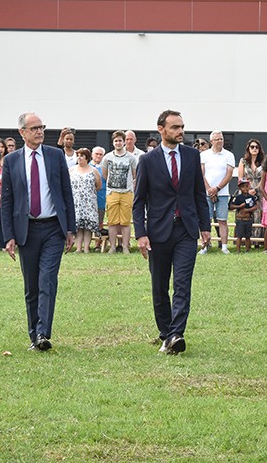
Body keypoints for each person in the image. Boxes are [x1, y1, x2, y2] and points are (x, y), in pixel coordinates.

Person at [133, 110, 210, 355]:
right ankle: (166, 332)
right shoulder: (147, 160)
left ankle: (177, 333)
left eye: (182, 127)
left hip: (186, 230)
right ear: (161, 129)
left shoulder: (191, 156)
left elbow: (199, 194)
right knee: (159, 286)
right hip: (158, 232)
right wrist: (141, 234)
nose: (180, 131)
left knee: (182, 284)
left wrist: (205, 227)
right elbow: (139, 200)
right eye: (175, 127)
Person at [1, 112, 75, 352]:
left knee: (47, 280)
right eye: (34, 128)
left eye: (42, 127)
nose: (40, 132)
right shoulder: (11, 160)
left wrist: (70, 228)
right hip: (27, 230)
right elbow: (7, 200)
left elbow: (66, 193)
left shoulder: (55, 156)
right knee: (31, 285)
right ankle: (34, 334)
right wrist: (8, 236)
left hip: (53, 228)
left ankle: (44, 333)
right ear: (22, 132)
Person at [102, 130, 137, 254]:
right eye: (115, 141)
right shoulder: (107, 157)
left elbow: (134, 175)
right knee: (112, 222)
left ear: (124, 142)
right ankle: (112, 247)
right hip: (112, 192)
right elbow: (105, 174)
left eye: (120, 141)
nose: (118, 143)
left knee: (125, 222)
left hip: (127, 192)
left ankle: (125, 247)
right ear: (113, 142)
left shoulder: (131, 158)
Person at [200, 130, 235, 254]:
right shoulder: (204, 155)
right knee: (206, 220)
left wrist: (217, 189)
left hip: (223, 193)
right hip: (206, 192)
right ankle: (205, 246)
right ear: (211, 141)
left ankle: (224, 246)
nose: (220, 141)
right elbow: (201, 174)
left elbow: (229, 174)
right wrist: (210, 190)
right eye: (217, 139)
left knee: (222, 220)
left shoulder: (229, 155)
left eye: (221, 139)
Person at [68, 147, 101, 253]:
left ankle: (86, 247)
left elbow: (98, 185)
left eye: (81, 156)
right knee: (78, 226)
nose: (79, 158)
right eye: (78, 155)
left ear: (87, 158)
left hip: (89, 202)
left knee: (87, 226)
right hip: (76, 202)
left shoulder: (93, 170)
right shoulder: (71, 170)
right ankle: (78, 248)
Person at [237, 138, 264, 237]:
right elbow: (240, 178)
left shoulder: (263, 162)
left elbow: (265, 178)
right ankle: (244, 238)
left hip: (260, 191)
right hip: (245, 190)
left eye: (257, 147)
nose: (254, 149)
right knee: (245, 213)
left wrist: (256, 190)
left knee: (258, 214)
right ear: (248, 148)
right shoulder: (243, 161)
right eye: (252, 147)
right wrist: (248, 191)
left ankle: (257, 239)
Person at [228, 178, 258, 252]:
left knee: (248, 236)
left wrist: (247, 210)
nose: (245, 188)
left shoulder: (252, 197)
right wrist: (239, 207)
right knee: (239, 236)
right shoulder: (238, 197)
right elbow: (231, 206)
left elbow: (256, 206)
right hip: (240, 220)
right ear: (239, 188)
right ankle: (238, 250)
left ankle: (247, 250)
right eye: (243, 186)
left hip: (248, 219)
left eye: (247, 186)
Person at [91, 146, 107, 236]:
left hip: (101, 198)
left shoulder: (104, 168)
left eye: (101, 154)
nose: (98, 156)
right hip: (88, 200)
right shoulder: (87, 166)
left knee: (100, 221)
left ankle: (98, 244)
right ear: (92, 154)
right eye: (96, 154)